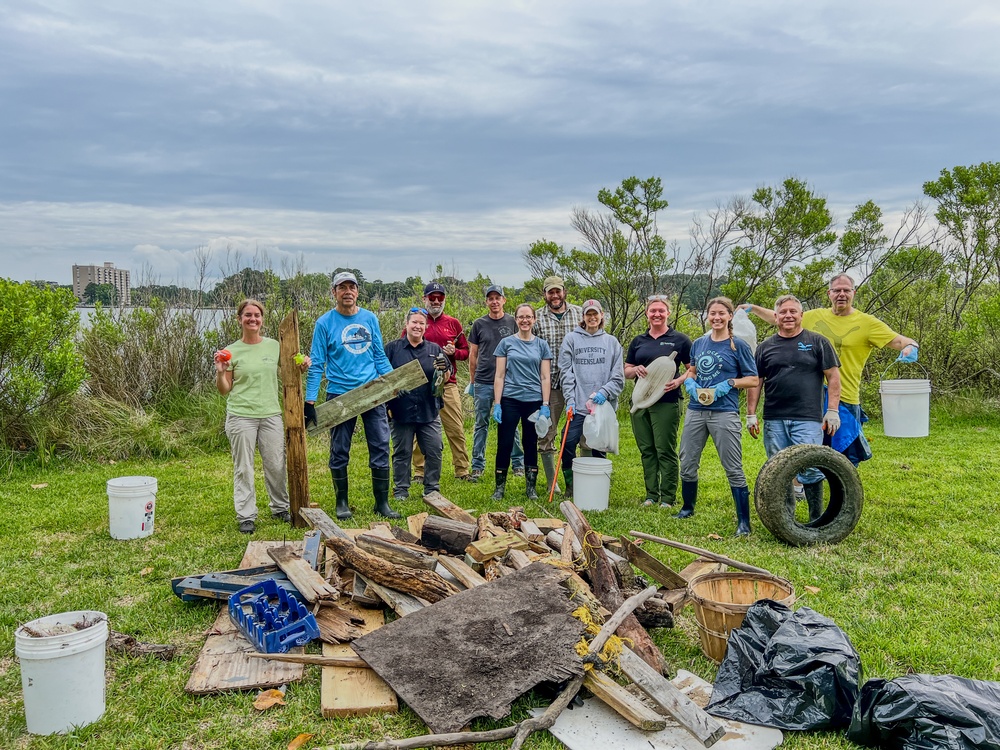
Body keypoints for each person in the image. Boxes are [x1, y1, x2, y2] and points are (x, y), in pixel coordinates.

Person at [742, 273, 918, 465]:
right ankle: (802, 487)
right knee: (806, 452)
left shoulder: (867, 323)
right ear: (829, 293)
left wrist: (911, 346)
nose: (841, 294)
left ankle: (843, 492)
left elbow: (898, 340)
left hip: (845, 396)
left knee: (844, 454)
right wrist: (752, 309)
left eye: (846, 290)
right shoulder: (814, 316)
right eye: (837, 290)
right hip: (809, 399)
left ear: (854, 293)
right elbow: (783, 316)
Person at [304, 271, 398, 520]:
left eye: (351, 287)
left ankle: (382, 503)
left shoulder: (370, 318)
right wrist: (309, 400)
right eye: (341, 287)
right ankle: (341, 502)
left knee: (380, 444)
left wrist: (393, 386)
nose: (347, 291)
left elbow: (379, 356)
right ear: (334, 292)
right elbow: (316, 363)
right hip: (339, 394)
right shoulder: (324, 323)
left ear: (357, 292)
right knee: (339, 449)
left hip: (372, 392)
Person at [215, 299, 310, 534]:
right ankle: (246, 515)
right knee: (244, 467)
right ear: (239, 319)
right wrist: (220, 373)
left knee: (276, 464)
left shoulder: (274, 346)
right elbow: (224, 389)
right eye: (247, 315)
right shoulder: (231, 351)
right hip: (241, 416)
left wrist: (303, 363)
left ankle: (279, 507)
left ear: (262, 319)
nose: (252, 319)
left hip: (270, 415)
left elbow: (292, 366)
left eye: (257, 315)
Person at [746, 295, 842, 522]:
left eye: (793, 312)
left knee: (810, 467)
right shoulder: (765, 347)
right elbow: (756, 382)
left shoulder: (818, 342)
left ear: (801, 315)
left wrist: (833, 410)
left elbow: (834, 376)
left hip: (808, 417)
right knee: (780, 469)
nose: (788, 316)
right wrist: (751, 414)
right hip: (774, 418)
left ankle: (816, 519)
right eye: (783, 312)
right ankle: (786, 519)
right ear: (776, 317)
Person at [677, 297, 759, 536]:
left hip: (724, 412)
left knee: (733, 466)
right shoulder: (699, 343)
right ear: (708, 315)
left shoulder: (739, 346)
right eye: (712, 313)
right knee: (688, 461)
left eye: (721, 313)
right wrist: (690, 382)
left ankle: (744, 522)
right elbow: (691, 369)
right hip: (696, 410)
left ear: (729, 316)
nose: (716, 317)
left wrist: (730, 383)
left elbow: (753, 379)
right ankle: (687, 508)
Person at [624, 295, 692, 508]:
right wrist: (634, 369)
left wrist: (679, 380)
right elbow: (626, 371)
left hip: (667, 401)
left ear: (668, 313)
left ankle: (668, 497)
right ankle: (651, 495)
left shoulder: (680, 340)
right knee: (647, 449)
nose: (657, 314)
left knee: (665, 449)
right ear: (647, 313)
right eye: (653, 311)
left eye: (661, 310)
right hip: (640, 400)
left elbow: (693, 370)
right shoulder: (638, 341)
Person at [558, 299, 624, 498]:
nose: (592, 317)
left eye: (596, 314)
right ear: (583, 317)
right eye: (589, 314)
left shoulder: (611, 342)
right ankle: (571, 485)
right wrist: (570, 399)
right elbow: (566, 372)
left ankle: (597, 485)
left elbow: (619, 376)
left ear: (602, 315)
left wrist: (605, 392)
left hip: (601, 408)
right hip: (578, 405)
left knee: (599, 445)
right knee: (567, 442)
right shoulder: (571, 339)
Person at [409, 282, 474, 483]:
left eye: (440, 298)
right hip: (421, 387)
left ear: (444, 299)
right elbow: (405, 347)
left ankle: (462, 470)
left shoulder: (453, 323)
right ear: (424, 299)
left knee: (455, 428)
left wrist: (455, 352)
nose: (436, 301)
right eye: (432, 297)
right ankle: (419, 471)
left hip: (447, 384)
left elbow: (466, 352)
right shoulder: (418, 321)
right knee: (419, 428)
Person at [385, 307, 452, 501]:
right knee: (402, 451)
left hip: (429, 409)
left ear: (426, 327)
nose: (418, 326)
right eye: (414, 322)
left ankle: (431, 489)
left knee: (434, 449)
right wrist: (394, 390)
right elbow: (381, 378)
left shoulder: (434, 350)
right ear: (406, 325)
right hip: (400, 410)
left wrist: (445, 368)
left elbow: (446, 378)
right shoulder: (392, 348)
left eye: (421, 323)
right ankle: (401, 490)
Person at [492, 303, 553, 500]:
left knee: (530, 441)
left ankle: (531, 487)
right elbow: (500, 375)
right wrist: (498, 403)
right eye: (521, 317)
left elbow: (545, 377)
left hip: (533, 400)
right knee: (505, 443)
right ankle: (499, 488)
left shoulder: (542, 345)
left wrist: (545, 404)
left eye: (528, 317)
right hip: (510, 399)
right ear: (516, 320)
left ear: (534, 320)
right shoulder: (506, 343)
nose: (525, 320)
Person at [468, 284, 524, 480]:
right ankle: (477, 465)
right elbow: (473, 355)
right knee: (481, 423)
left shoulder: (512, 322)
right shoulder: (478, 324)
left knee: (511, 423)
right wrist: (472, 382)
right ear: (486, 302)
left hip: (509, 382)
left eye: (497, 298)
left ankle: (518, 463)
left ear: (504, 300)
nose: (494, 302)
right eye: (490, 298)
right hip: (483, 381)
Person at [533, 276, 583, 496]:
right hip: (550, 383)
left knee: (582, 432)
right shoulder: (537, 318)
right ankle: (551, 480)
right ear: (545, 294)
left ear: (564, 292)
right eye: (550, 292)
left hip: (579, 383)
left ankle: (581, 478)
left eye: (558, 291)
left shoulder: (580, 313)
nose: (555, 296)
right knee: (546, 432)